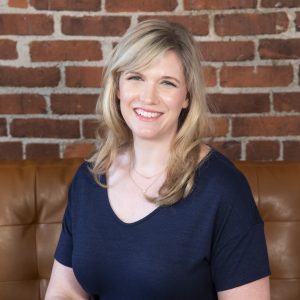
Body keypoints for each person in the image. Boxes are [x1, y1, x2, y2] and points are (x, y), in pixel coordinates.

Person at [45, 20, 271, 300]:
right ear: (117, 88)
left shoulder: (223, 190)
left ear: (186, 96)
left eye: (167, 82)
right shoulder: (89, 179)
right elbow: (66, 291)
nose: (147, 97)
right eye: (136, 77)